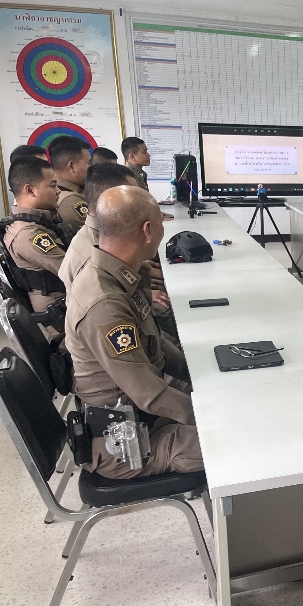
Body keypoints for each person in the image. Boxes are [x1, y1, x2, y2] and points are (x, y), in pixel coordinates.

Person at [64, 186, 202, 479]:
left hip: (141, 413)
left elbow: (156, 342)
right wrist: (212, 416)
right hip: (128, 445)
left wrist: (200, 374)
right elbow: (150, 395)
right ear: (148, 231)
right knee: (244, 439)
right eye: (162, 223)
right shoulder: (105, 304)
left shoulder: (118, 274)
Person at [60, 163, 177, 338]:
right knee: (173, 310)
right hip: (111, 325)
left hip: (126, 312)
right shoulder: (92, 254)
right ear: (113, 199)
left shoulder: (106, 237)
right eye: (133, 194)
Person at [0, 157, 66, 316]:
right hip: (62, 313)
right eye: (52, 185)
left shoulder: (37, 223)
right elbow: (73, 271)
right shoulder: (28, 234)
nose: (58, 191)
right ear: (30, 190)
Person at [49, 135, 92, 229]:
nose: (91, 168)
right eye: (89, 163)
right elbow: (95, 233)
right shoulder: (70, 201)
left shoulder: (58, 191)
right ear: (71, 166)